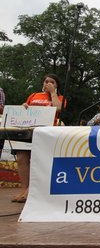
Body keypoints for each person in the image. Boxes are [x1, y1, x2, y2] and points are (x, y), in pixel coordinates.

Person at [12, 74, 65, 203]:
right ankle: (24, 189)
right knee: (21, 159)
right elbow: (24, 110)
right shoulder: (34, 95)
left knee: (37, 160)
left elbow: (58, 108)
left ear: (56, 85)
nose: (48, 83)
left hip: (45, 132)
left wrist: (53, 93)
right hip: (27, 130)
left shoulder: (60, 97)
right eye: (46, 81)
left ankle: (31, 191)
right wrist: (24, 105)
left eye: (52, 82)